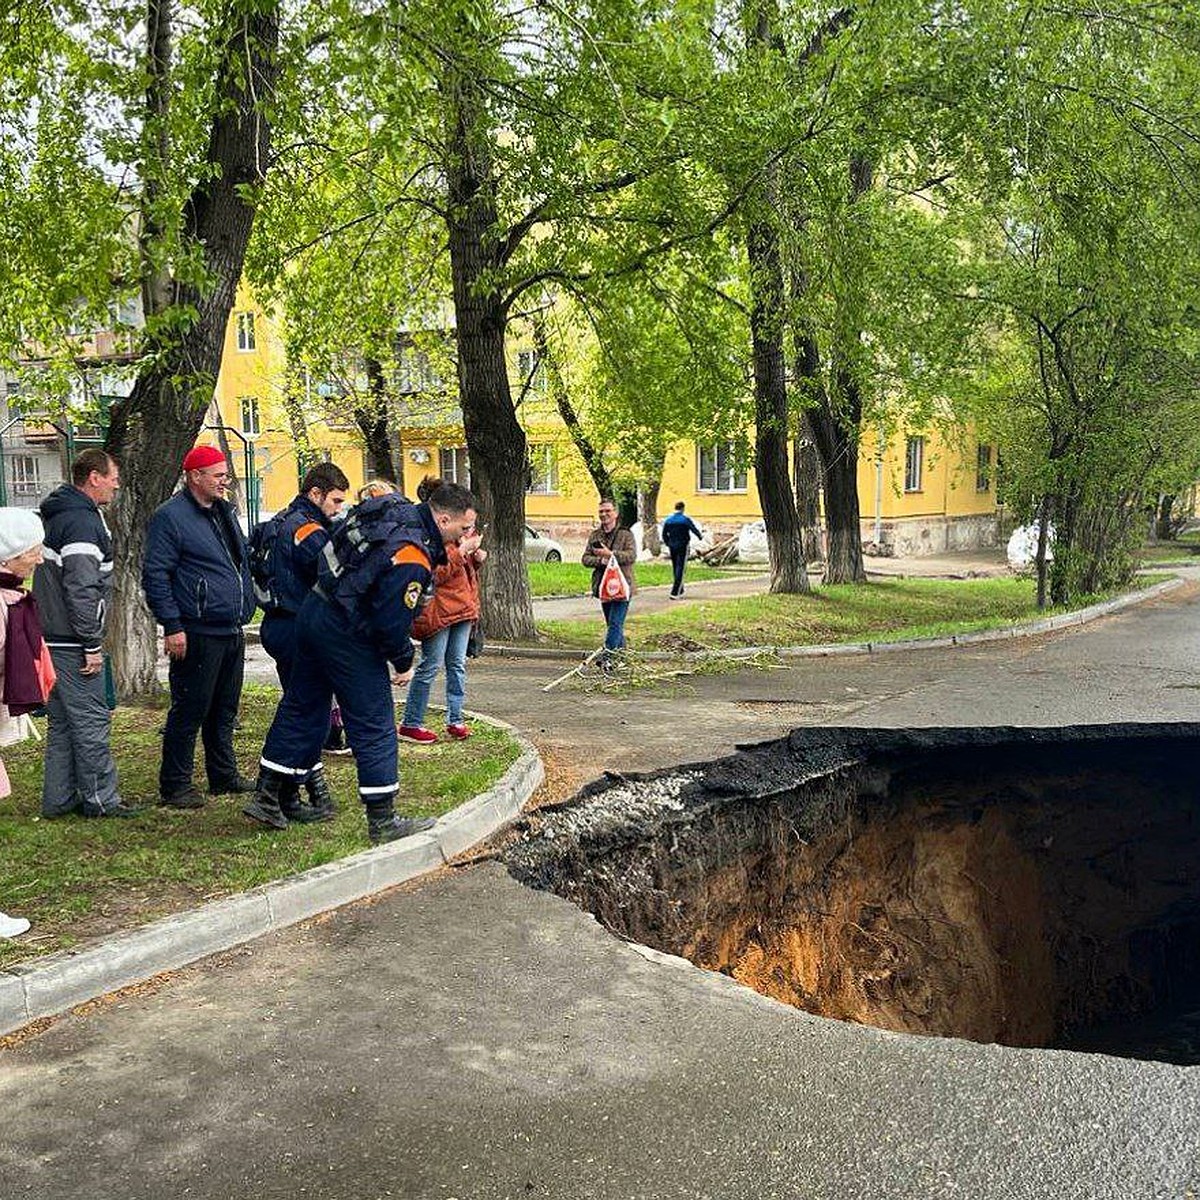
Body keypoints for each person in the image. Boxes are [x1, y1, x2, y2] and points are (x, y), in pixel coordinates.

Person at [248, 481, 479, 842]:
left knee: (302, 704)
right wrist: (403, 661)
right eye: (464, 528)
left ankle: (267, 794)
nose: (466, 535)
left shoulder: (391, 508)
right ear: (444, 519)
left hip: (313, 612)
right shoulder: (412, 556)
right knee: (374, 720)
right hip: (346, 631)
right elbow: (390, 623)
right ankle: (383, 819)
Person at [142, 445, 257, 809]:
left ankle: (222, 775)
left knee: (224, 708)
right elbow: (156, 574)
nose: (225, 481)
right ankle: (175, 784)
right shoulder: (171, 517)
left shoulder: (223, 512)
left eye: (225, 474)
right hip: (196, 629)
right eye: (218, 475)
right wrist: (173, 625)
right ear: (195, 476)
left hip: (230, 627)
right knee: (190, 708)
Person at [34, 450, 140, 818]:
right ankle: (100, 800)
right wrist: (91, 644)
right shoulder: (81, 522)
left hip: (52, 636)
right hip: (73, 640)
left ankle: (59, 799)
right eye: (113, 476)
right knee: (92, 720)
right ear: (94, 477)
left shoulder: (63, 514)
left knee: (63, 723)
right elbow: (81, 588)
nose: (117, 482)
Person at [253, 462, 350, 820]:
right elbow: (335, 579)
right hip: (300, 626)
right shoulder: (309, 531)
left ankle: (290, 797)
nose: (338, 509)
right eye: (336, 501)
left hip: (276, 625)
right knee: (305, 713)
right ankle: (271, 792)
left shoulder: (278, 522)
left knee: (306, 710)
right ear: (316, 494)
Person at [398, 476, 487, 744]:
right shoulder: (432, 535)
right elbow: (434, 573)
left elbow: (462, 572)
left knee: (457, 665)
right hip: (438, 612)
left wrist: (474, 558)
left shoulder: (457, 532)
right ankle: (412, 722)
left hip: (461, 608)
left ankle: (456, 718)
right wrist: (462, 552)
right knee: (431, 665)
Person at [581, 497, 637, 665]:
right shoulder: (595, 535)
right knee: (613, 625)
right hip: (604, 587)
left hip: (622, 586)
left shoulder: (625, 534)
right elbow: (585, 559)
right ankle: (623, 658)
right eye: (601, 511)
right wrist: (601, 561)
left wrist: (611, 555)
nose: (604, 514)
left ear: (616, 513)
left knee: (615, 623)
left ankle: (607, 657)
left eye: (608, 511)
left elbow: (631, 556)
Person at [661, 500, 704, 599]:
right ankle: (675, 592)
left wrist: (668, 543)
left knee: (675, 566)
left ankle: (680, 588)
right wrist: (700, 536)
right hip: (683, 546)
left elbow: (664, 534)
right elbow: (693, 529)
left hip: (672, 546)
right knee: (681, 567)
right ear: (683, 508)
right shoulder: (685, 520)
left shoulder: (668, 520)